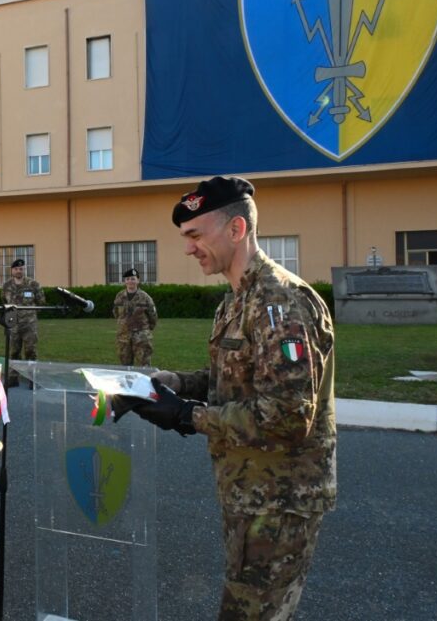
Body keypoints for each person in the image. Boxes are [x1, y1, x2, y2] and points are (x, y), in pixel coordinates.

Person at [112, 176, 336, 620]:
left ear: (236, 229)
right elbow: (231, 379)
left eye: (196, 235)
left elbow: (288, 416)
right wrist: (174, 382)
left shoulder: (280, 303)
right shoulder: (237, 300)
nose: (188, 248)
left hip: (279, 499)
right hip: (249, 491)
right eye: (185, 237)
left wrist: (188, 416)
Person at [1, 258, 45, 382]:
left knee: (31, 351)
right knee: (14, 352)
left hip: (29, 325)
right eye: (16, 269)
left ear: (23, 269)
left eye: (21, 269)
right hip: (13, 324)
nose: (18, 271)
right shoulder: (6, 286)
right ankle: (13, 378)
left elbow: (41, 302)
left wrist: (30, 315)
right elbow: (4, 301)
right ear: (12, 271)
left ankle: (32, 378)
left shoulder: (33, 284)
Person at [112, 267, 157, 366]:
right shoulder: (120, 296)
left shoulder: (145, 297)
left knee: (144, 364)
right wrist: (123, 325)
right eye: (127, 279)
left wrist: (146, 330)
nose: (130, 281)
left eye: (133, 279)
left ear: (138, 280)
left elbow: (153, 316)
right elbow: (116, 313)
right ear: (125, 281)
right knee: (125, 365)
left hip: (141, 337)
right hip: (123, 337)